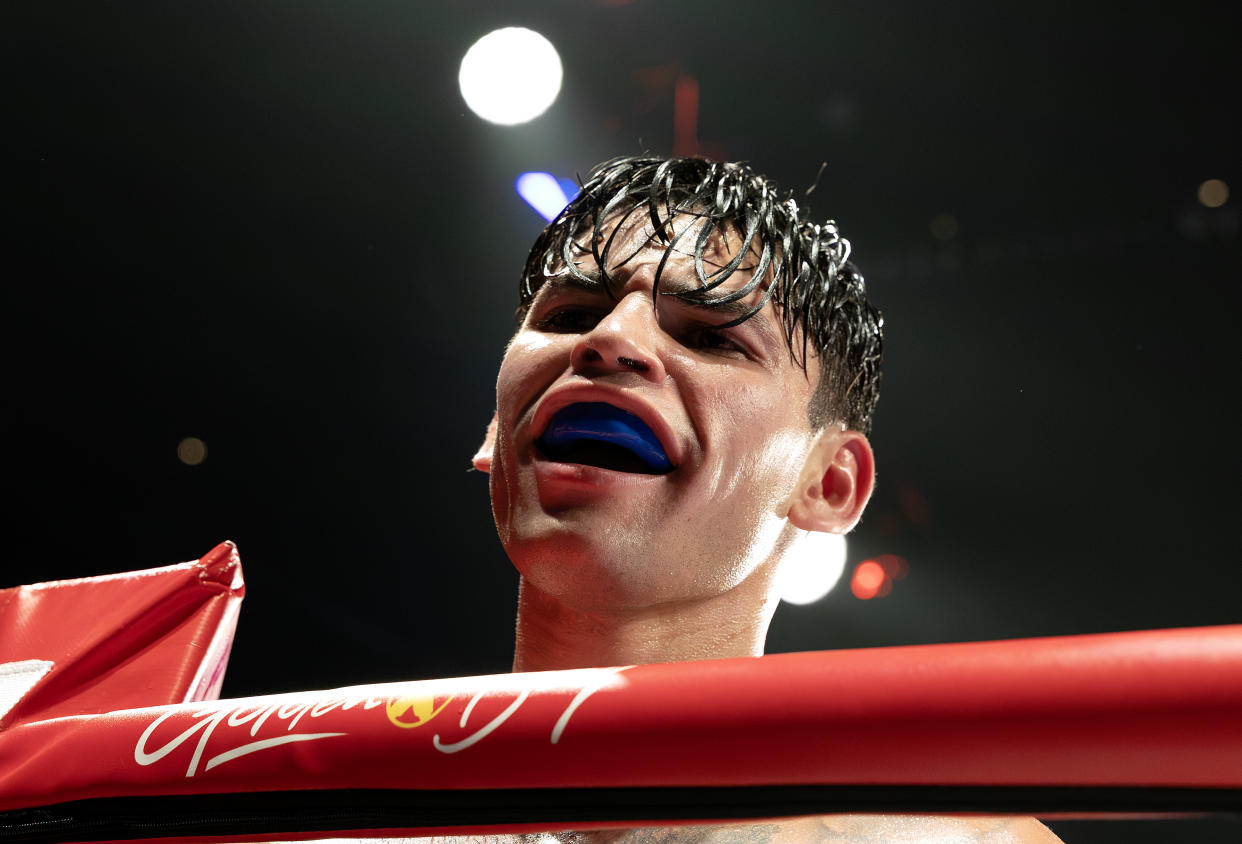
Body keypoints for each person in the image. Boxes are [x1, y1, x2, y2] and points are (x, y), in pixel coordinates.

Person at [470, 156, 1061, 843]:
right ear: (494, 433)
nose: (610, 341)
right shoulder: (323, 793)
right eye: (572, 313)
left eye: (708, 336)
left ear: (828, 484)